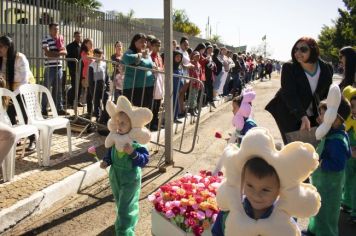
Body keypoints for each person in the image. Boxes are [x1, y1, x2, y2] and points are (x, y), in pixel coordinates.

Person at [212, 127, 320, 236]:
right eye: (250, 185)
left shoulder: (285, 220)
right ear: (243, 181)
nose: (256, 195)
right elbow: (216, 233)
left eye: (265, 190)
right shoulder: (228, 213)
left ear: (279, 189)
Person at [100, 96, 152, 235]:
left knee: (126, 206)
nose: (119, 126)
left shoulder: (136, 142)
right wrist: (106, 161)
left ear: (132, 125)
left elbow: (144, 161)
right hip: (115, 176)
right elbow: (110, 151)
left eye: (123, 123)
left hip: (130, 178)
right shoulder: (116, 138)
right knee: (119, 201)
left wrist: (133, 153)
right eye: (117, 122)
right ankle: (124, 221)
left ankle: (125, 231)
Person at [265, 37, 333, 144]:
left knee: (314, 148)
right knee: (294, 149)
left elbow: (327, 94)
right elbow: (290, 94)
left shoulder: (326, 68)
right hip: (289, 111)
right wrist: (302, 116)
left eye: (303, 49)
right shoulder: (289, 67)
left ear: (313, 49)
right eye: (296, 49)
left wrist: (323, 113)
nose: (298, 52)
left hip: (313, 114)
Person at [304, 84, 351, 236]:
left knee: (326, 214)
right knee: (317, 209)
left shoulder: (338, 139)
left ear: (336, 119)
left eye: (323, 114)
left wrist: (322, 162)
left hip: (330, 187)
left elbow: (338, 164)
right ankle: (314, 229)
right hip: (322, 183)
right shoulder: (331, 134)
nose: (319, 118)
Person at [0, 35, 36, 151]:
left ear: (8, 47)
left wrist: (11, 95)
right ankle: (16, 137)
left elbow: (24, 81)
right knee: (10, 113)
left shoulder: (20, 58)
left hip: (23, 88)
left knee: (25, 114)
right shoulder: (1, 58)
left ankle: (32, 139)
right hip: (9, 89)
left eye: (0, 47)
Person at [122, 33, 155, 110]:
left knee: (145, 111)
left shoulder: (146, 53)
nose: (144, 43)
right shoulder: (130, 52)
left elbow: (150, 65)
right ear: (135, 42)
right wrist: (140, 55)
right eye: (141, 41)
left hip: (148, 86)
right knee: (134, 112)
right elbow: (126, 58)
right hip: (134, 87)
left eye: (145, 42)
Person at [41, 22, 68, 116]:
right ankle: (43, 109)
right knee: (46, 89)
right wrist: (58, 53)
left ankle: (58, 108)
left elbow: (65, 52)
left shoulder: (60, 38)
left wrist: (55, 54)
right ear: (50, 29)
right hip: (49, 67)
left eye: (57, 29)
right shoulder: (46, 38)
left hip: (59, 67)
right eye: (54, 29)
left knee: (59, 89)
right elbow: (48, 54)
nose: (56, 30)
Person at [341, 87, 356, 223]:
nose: (355, 110)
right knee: (348, 178)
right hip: (349, 158)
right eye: (352, 106)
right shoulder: (348, 122)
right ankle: (347, 203)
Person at [87, 48, 109, 120]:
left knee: (105, 101)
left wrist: (107, 86)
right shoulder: (91, 66)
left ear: (102, 55)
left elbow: (106, 76)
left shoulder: (104, 64)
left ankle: (105, 117)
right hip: (95, 87)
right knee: (96, 104)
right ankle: (97, 117)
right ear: (94, 55)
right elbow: (90, 80)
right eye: (96, 55)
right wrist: (92, 90)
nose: (98, 57)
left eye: (99, 55)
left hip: (103, 87)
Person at [65, 31, 82, 107]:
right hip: (74, 70)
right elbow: (68, 59)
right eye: (77, 36)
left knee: (80, 86)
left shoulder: (82, 46)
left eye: (79, 36)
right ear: (74, 37)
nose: (78, 37)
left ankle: (77, 101)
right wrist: (72, 70)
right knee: (74, 85)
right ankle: (71, 101)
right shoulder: (69, 46)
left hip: (81, 69)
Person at [80, 38, 94, 109]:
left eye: (92, 43)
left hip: (93, 73)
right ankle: (89, 109)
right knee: (89, 91)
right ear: (85, 44)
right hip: (87, 73)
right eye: (90, 43)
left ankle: (92, 108)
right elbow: (87, 60)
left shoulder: (92, 51)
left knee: (92, 91)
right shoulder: (83, 52)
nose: (92, 44)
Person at [187, 51, 202, 117]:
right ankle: (191, 109)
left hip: (198, 82)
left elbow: (200, 74)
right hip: (192, 82)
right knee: (192, 96)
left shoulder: (199, 64)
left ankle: (194, 108)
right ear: (193, 56)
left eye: (198, 56)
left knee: (196, 96)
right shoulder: (191, 63)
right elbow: (189, 72)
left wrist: (200, 82)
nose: (198, 57)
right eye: (196, 56)